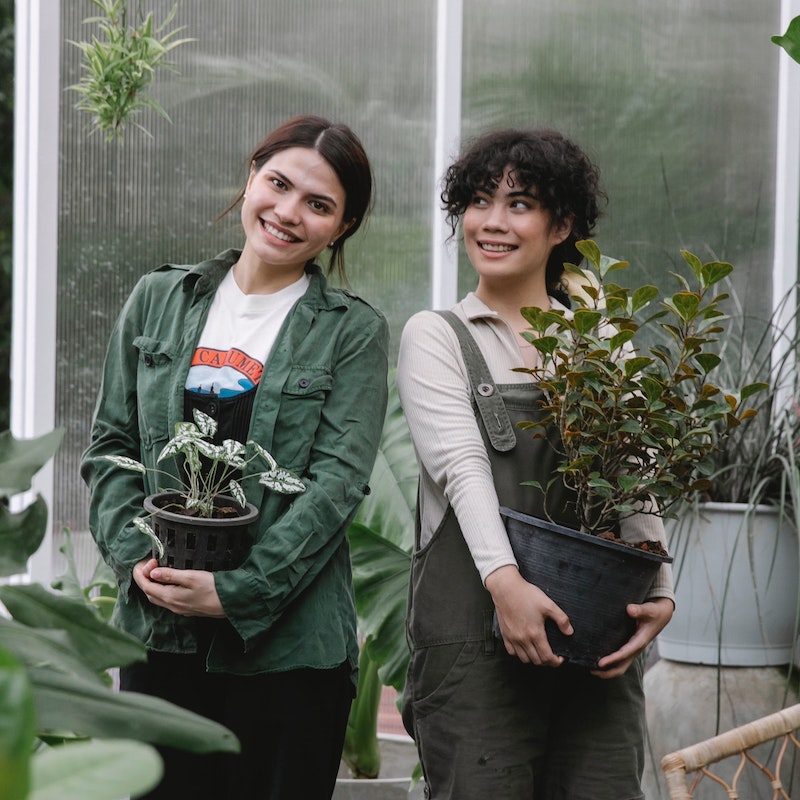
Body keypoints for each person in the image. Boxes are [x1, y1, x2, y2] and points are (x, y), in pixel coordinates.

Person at [80, 115, 389, 800]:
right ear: (250, 178)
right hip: (160, 639)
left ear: (342, 227)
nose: (287, 213)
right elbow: (110, 448)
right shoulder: (157, 299)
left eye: (319, 205)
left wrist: (237, 593)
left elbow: (336, 485)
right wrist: (137, 559)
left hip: (286, 654)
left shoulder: (353, 332)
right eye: (277, 184)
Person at [396, 128, 674, 800]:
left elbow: (634, 465)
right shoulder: (438, 336)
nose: (492, 221)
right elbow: (463, 470)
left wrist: (659, 581)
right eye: (479, 201)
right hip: (475, 642)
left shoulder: (599, 335)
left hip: (596, 637)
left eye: (519, 204)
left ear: (563, 226)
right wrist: (507, 588)